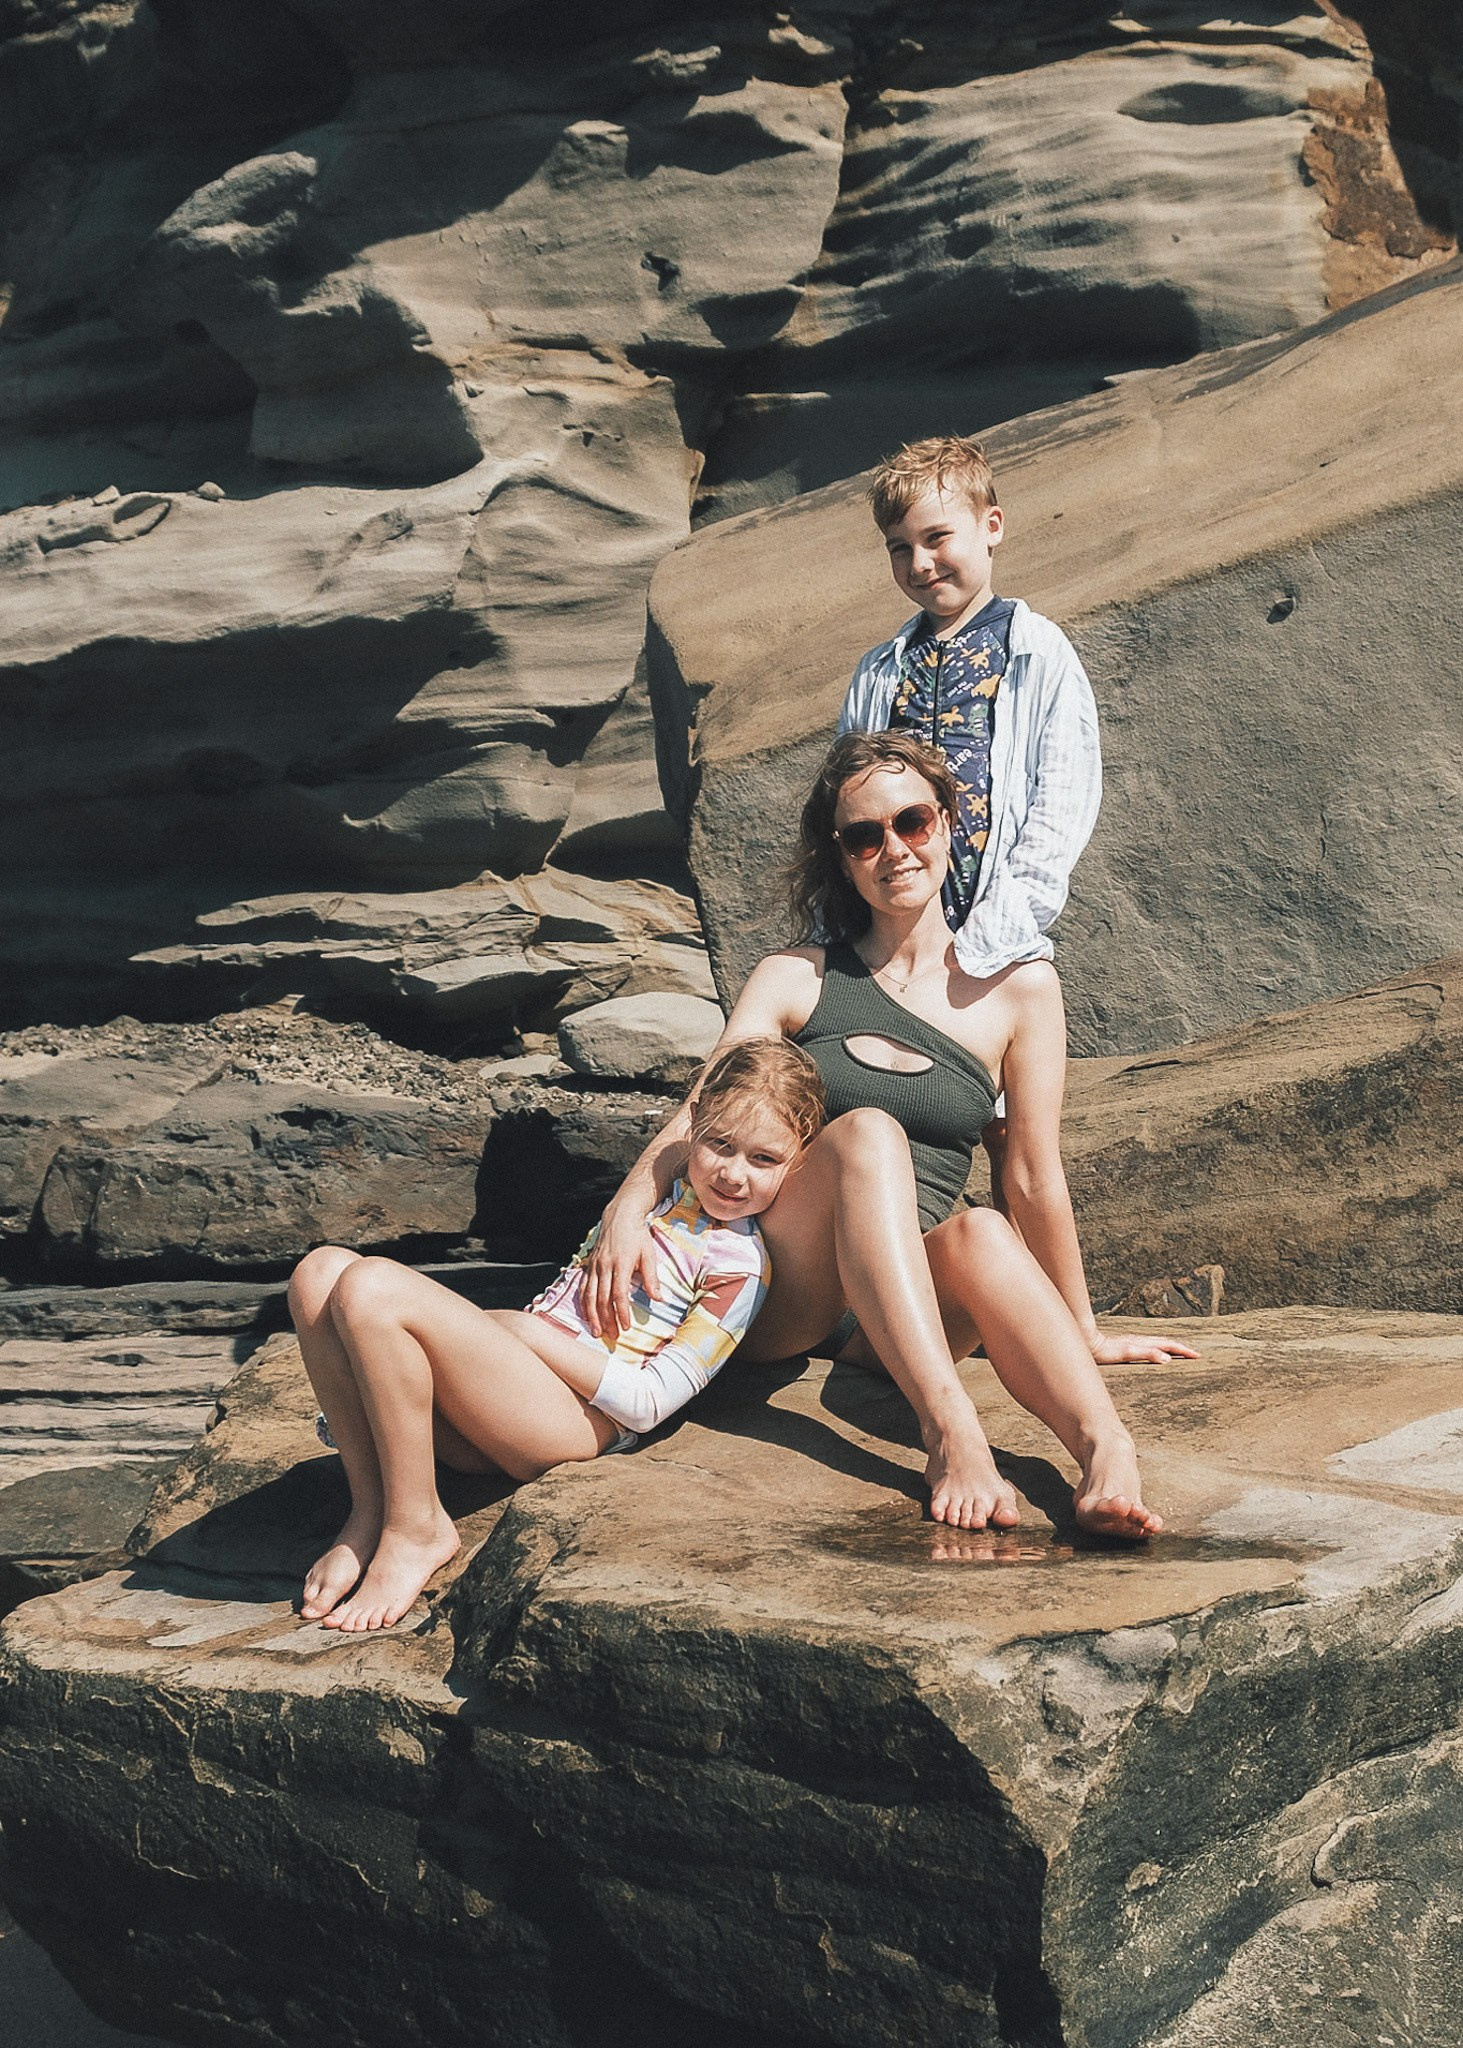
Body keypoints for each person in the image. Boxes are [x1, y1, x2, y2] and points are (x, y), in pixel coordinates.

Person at [581, 731, 1194, 1539]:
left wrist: (1080, 1329)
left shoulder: (1020, 992)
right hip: (781, 1291)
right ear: (840, 856)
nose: (893, 850)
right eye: (864, 835)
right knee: (868, 1131)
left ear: (946, 825)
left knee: (978, 1226)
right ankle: (949, 1430)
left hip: (903, 1318)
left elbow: (1033, 1177)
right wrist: (624, 1214)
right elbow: (701, 1113)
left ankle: (1105, 1451)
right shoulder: (797, 978)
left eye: (911, 822)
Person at [288, 1036, 825, 1632]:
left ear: (796, 1162)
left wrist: (523, 1331)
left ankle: (417, 1529)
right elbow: (670, 1159)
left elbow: (648, 1407)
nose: (732, 1174)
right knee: (319, 1274)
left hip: (571, 1421)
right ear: (692, 1124)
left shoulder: (739, 1267)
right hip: (506, 1395)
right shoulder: (655, 1197)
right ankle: (370, 1511)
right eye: (720, 1145)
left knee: (371, 1287)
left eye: (763, 1160)